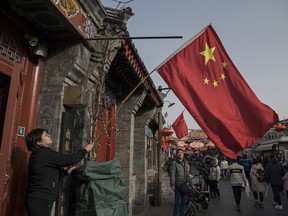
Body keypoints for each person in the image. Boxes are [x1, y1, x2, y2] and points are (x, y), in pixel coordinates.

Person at [25, 128, 95, 216]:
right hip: (40, 199)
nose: (49, 135)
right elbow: (70, 159)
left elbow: (47, 174)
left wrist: (67, 172)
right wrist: (86, 150)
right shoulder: (44, 154)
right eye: (46, 135)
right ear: (39, 142)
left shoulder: (39, 155)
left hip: (39, 199)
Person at [170, 148, 190, 216]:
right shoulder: (174, 163)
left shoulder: (186, 163)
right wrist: (172, 184)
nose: (180, 154)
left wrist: (191, 184)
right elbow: (172, 174)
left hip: (184, 185)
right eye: (179, 152)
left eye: (181, 152)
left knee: (183, 203)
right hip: (178, 185)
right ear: (176, 154)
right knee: (178, 203)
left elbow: (187, 175)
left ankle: (181, 214)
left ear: (183, 154)